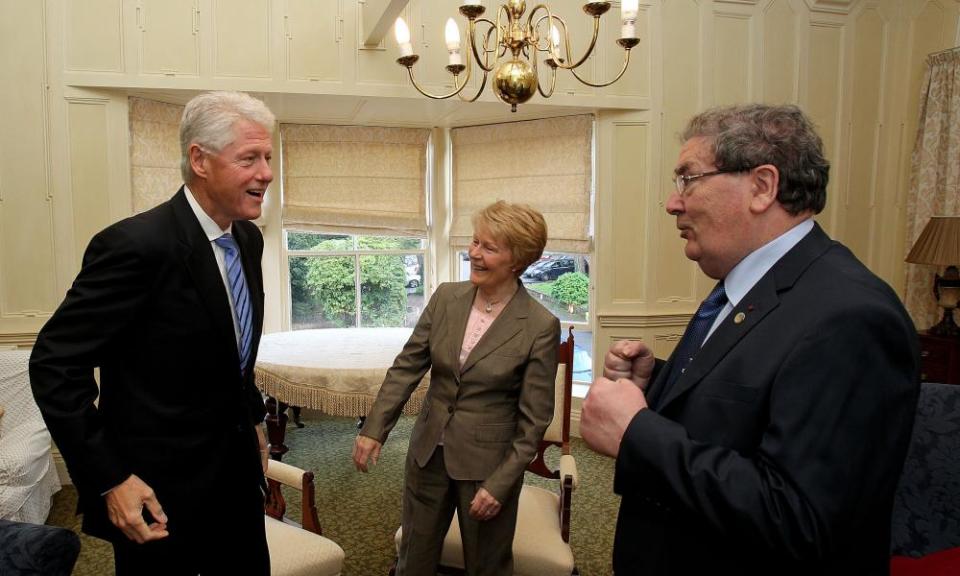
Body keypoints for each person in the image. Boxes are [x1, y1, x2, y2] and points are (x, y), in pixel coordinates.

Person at [581, 104, 920, 575]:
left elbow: (801, 519)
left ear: (762, 186)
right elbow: (751, 404)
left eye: (688, 179)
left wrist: (637, 434)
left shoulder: (851, 315)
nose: (672, 202)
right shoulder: (748, 288)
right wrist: (656, 380)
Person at [29, 91, 275, 575]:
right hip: (158, 496)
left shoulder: (247, 238)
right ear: (199, 161)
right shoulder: (136, 246)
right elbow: (55, 365)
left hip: (236, 485)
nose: (266, 172)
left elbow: (231, 355)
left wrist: (256, 425)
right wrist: (110, 478)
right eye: (249, 158)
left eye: (267, 157)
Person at [353, 201, 561, 576]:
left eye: (489, 247)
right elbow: (406, 368)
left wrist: (501, 483)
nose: (474, 253)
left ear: (518, 260)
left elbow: (534, 422)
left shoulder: (539, 325)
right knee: (413, 558)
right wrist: (374, 429)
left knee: (487, 565)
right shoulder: (447, 297)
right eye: (475, 241)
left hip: (487, 467)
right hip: (427, 453)